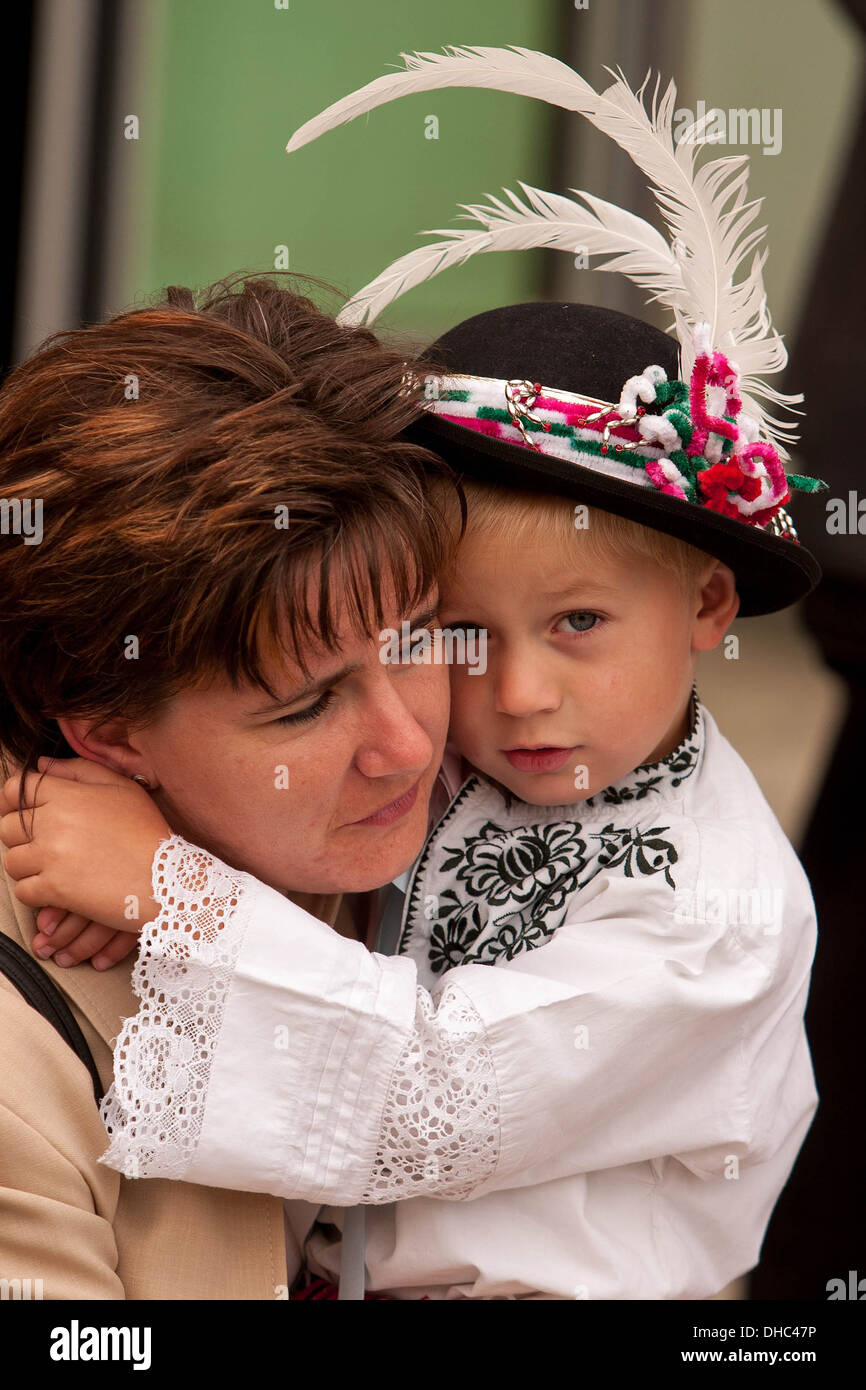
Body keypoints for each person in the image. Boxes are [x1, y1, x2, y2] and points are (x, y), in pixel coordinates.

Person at [0, 45, 829, 1295]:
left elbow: (435, 1093)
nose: (436, 728)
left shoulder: (708, 914)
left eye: (411, 642)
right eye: (462, 632)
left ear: (705, 602)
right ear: (107, 733)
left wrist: (166, 891)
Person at [0, 269, 462, 1299]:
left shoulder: (519, 792)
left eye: (423, 636)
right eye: (306, 706)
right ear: (109, 732)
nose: (407, 745)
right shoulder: (15, 1065)